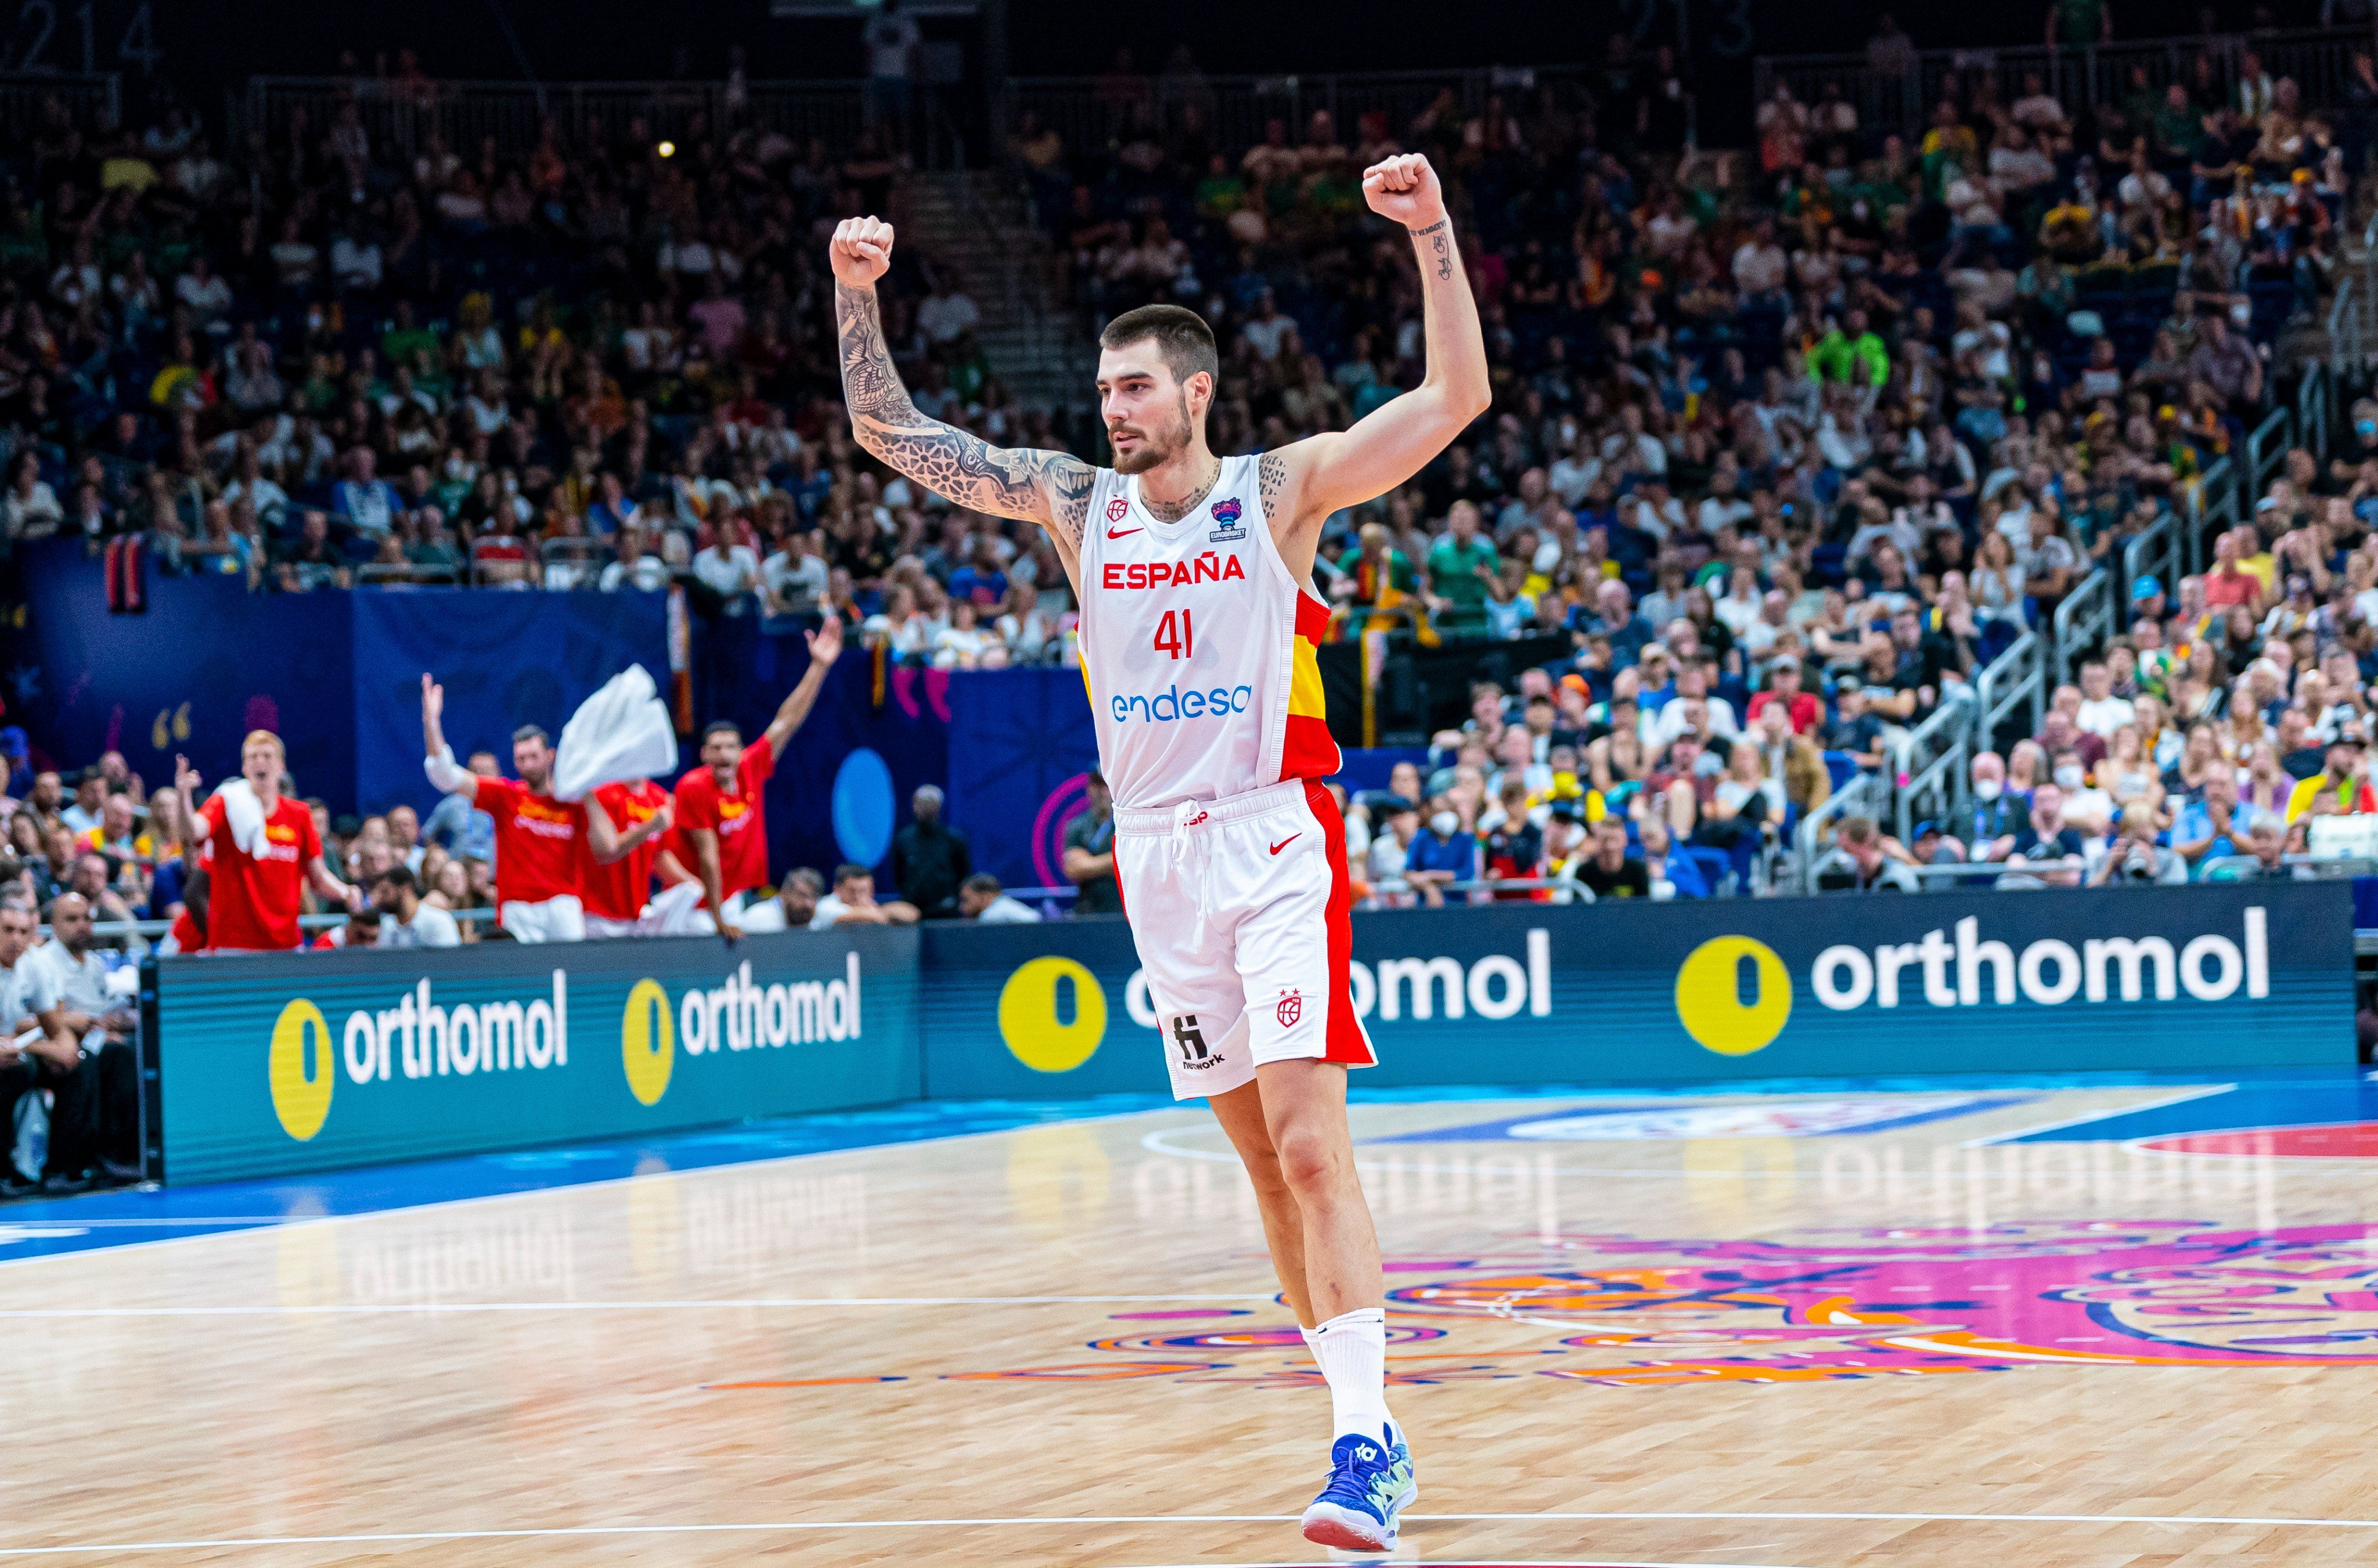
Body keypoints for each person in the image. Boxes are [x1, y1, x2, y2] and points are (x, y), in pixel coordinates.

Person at [829, 149, 1486, 1552]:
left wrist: (1429, 232)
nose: (1110, 408)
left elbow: (1452, 400)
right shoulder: (1077, 505)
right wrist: (856, 297)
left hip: (1272, 835)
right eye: (1103, 389)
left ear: (1194, 393)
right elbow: (895, 434)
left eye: (1133, 387)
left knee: (1314, 1147)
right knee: (1257, 1162)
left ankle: (1363, 1441)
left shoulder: (1278, 488)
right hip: (1156, 861)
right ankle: (1371, 1426)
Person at [420, 680, 654, 943]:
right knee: (521, 981)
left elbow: (609, 847)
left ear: (550, 756)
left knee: (571, 978)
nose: (527, 765)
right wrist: (431, 722)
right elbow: (445, 776)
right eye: (520, 759)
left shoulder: (575, 801)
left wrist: (586, 792)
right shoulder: (506, 794)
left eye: (533, 757)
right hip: (516, 908)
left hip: (563, 905)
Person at [675, 612, 845, 939]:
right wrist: (718, 919)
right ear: (704, 755)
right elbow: (708, 859)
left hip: (736, 897)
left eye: (730, 748)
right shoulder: (694, 787)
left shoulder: (751, 766)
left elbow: (787, 721)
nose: (724, 754)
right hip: (699, 906)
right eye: (715, 748)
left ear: (741, 752)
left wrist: (819, 666)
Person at [173, 732, 360, 951]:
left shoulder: (299, 815)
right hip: (233, 946)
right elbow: (193, 830)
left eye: (267, 756)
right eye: (253, 757)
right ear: (244, 767)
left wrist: (346, 891)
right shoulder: (227, 802)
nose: (260, 761)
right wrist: (184, 796)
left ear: (281, 767)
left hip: (286, 945)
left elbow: (319, 877)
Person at [26, 892, 140, 1180]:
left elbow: (105, 1011)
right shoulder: (43, 962)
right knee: (104, 1058)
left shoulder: (95, 965)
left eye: (87, 919)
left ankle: (121, 1153)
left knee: (133, 1049)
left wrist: (112, 1023)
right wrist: (85, 1024)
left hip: (97, 1038)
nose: (82, 925)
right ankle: (82, 1159)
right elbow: (37, 1016)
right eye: (72, 919)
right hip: (58, 1040)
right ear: (54, 925)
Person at [580, 778, 698, 938]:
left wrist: (693, 883)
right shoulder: (602, 794)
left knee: (691, 891)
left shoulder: (658, 797)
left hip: (638, 916)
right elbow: (606, 852)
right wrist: (650, 827)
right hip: (599, 915)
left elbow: (660, 857)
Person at [891, 784, 972, 918]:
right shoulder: (903, 839)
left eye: (931, 804)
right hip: (912, 911)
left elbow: (964, 875)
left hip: (947, 912)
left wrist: (953, 901)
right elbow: (898, 876)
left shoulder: (954, 839)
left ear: (939, 807)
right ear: (914, 805)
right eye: (922, 803)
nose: (926, 808)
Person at [1062, 770, 1123, 915]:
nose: (1100, 791)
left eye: (1105, 785)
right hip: (1090, 912)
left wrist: (1091, 863)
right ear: (1088, 788)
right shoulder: (1078, 825)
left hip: (1125, 911)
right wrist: (1117, 860)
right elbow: (1074, 868)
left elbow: (1135, 861)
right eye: (1096, 784)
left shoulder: (1127, 824)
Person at [369, 864, 460, 947]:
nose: (381, 899)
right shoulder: (387, 925)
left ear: (406, 889)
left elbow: (450, 961)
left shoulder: (439, 921)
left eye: (386, 892)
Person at [807, 863, 921, 929]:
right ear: (837, 889)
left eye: (863, 891)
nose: (857, 896)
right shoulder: (825, 906)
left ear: (872, 891)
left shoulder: (872, 908)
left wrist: (879, 911)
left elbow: (912, 915)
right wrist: (880, 913)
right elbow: (872, 917)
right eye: (852, 891)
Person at [958, 871, 1042, 922]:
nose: (961, 907)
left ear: (984, 897)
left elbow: (1034, 920)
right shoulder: (1003, 904)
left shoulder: (991, 917)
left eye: (965, 900)